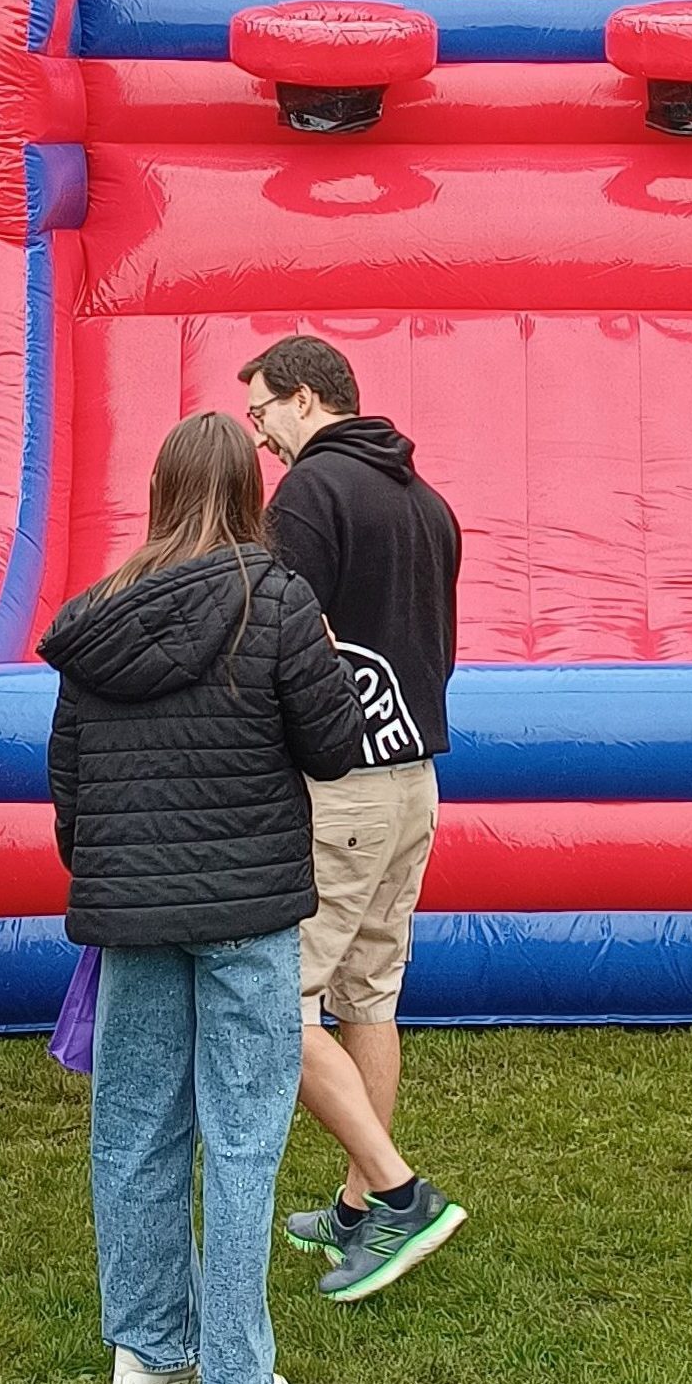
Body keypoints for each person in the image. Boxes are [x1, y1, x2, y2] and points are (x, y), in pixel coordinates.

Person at [44, 410, 362, 1384]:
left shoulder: (96, 614)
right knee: (241, 1138)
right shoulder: (276, 600)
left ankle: (148, 1352)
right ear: (247, 491)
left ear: (160, 489)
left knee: (133, 1131)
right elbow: (332, 746)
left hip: (133, 913)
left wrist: (111, 872)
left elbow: (69, 785)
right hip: (247, 912)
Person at [238, 336, 470, 1303]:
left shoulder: (308, 498)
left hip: (340, 786)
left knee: (272, 1001)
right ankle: (351, 1212)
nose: (257, 436)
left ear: (303, 397)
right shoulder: (426, 500)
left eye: (260, 415)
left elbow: (279, 635)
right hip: (412, 775)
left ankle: (398, 1194)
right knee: (369, 996)